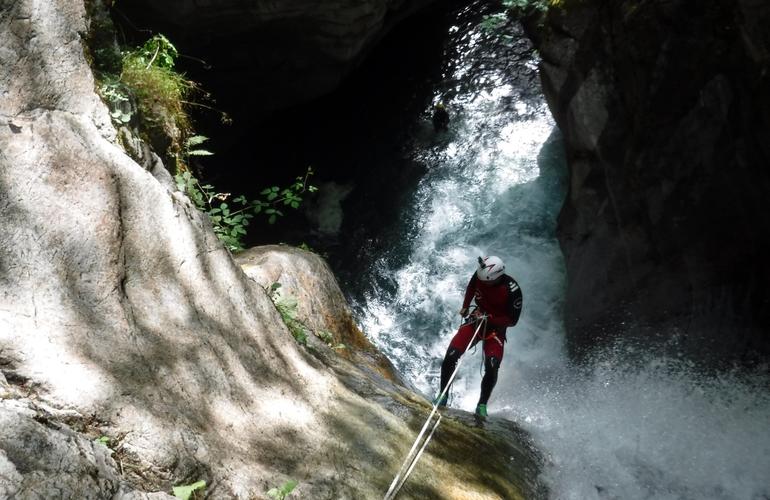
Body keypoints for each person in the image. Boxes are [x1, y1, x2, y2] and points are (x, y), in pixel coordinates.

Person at [435, 256, 523, 417]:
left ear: (496, 278)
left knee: (492, 365)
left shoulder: (512, 290)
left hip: (495, 330)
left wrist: (491, 319)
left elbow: (512, 320)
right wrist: (465, 306)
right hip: (476, 321)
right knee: (452, 354)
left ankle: (482, 405)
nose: (484, 284)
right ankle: (443, 395)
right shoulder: (480, 275)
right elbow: (471, 287)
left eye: (487, 282)